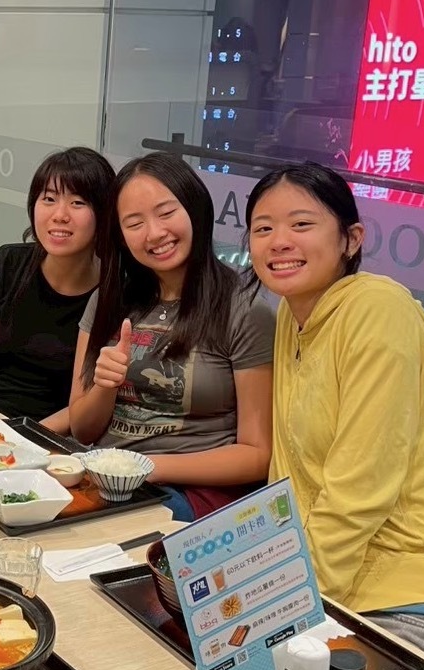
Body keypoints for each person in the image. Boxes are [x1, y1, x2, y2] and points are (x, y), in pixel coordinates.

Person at [246, 161, 424, 670]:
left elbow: (360, 490)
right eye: (263, 228)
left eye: (302, 224)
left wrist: (285, 612)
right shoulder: (294, 317)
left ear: (350, 239)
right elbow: (289, 475)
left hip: (417, 596)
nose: (279, 241)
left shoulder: (378, 310)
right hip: (339, 588)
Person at [68, 152, 274, 522]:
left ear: (195, 208)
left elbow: (257, 454)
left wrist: (145, 466)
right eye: (134, 223)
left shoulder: (244, 309)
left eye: (166, 213)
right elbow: (83, 429)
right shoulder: (108, 300)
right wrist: (104, 385)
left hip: (186, 493)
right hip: (104, 479)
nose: (155, 233)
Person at [0, 147, 115, 433]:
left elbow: (83, 406)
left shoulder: (113, 292)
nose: (59, 215)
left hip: (55, 439)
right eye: (49, 199)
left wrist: (19, 436)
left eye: (77, 203)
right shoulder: (8, 263)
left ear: (103, 214)